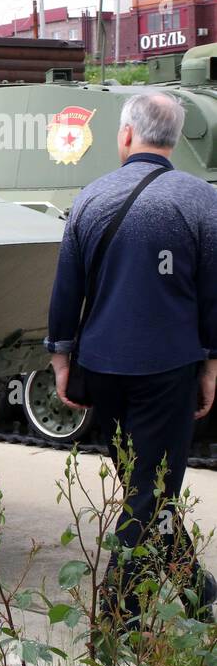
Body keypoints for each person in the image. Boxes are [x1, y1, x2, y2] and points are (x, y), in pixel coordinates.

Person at [46, 90, 217, 619]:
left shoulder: (91, 197)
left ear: (126, 135)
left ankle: (196, 590)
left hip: (101, 367)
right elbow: (213, 293)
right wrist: (211, 363)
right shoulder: (201, 201)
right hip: (168, 370)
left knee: (144, 487)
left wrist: (61, 360)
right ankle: (121, 619)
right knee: (151, 491)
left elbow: (65, 288)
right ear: (175, 138)